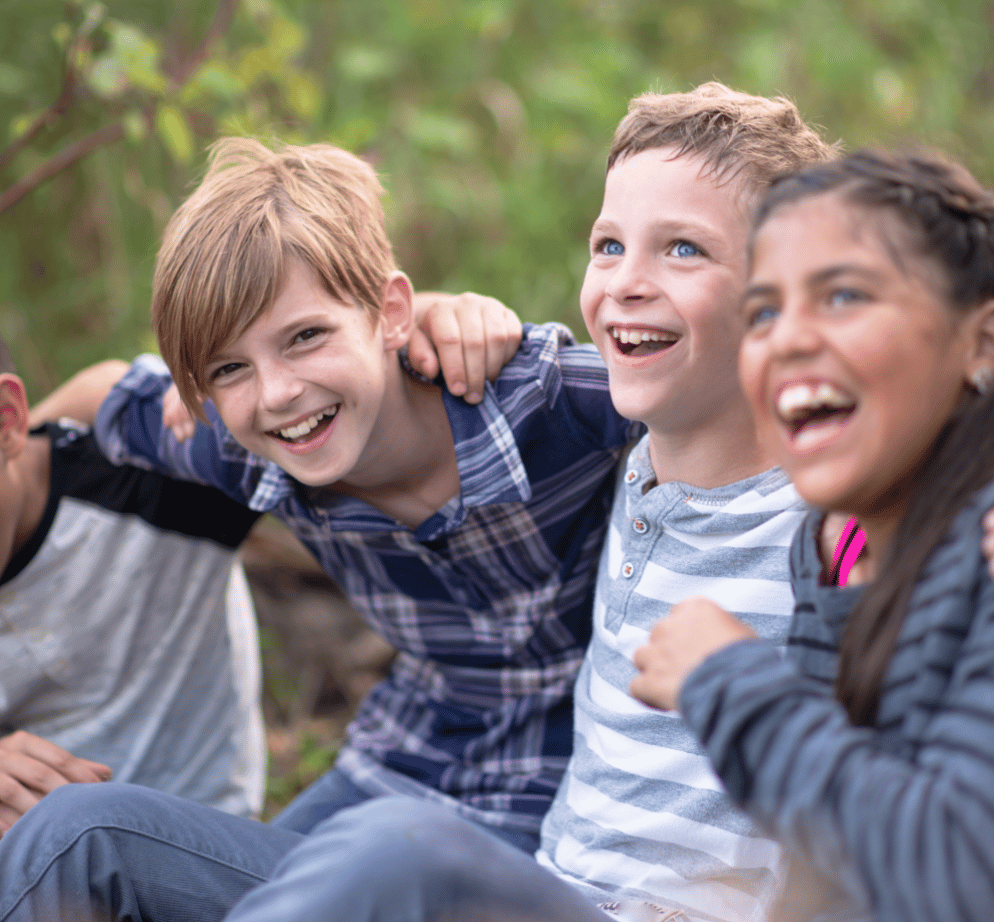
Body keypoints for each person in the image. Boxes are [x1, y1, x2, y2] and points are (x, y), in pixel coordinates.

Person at [0, 85, 837, 922]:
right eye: (608, 246)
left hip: (524, 830)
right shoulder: (240, 432)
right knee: (73, 832)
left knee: (390, 854)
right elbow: (107, 393)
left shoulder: (575, 409)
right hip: (421, 783)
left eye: (306, 337)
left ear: (389, 313)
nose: (280, 392)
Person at [631, 149, 994, 922]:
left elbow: (960, 873)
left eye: (845, 295)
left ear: (981, 341)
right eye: (763, 312)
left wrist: (725, 681)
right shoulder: (835, 541)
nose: (788, 338)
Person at [0, 337, 267, 826]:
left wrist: (430, 321)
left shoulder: (136, 474)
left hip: (203, 849)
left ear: (6, 419)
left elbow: (341, 397)